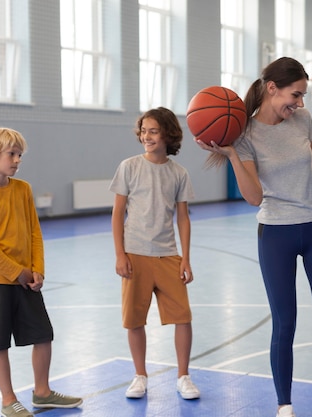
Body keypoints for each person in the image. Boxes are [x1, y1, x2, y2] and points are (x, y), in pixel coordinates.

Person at [196, 57, 312, 417]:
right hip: (275, 233)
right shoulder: (244, 134)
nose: (299, 103)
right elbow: (253, 197)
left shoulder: (303, 120)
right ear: (272, 88)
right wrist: (232, 153)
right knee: (285, 322)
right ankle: (284, 404)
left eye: (303, 96)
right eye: (295, 94)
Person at [0, 127, 82, 417]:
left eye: (19, 155)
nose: (17, 160)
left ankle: (42, 392)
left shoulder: (23, 189)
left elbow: (34, 233)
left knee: (43, 335)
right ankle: (8, 399)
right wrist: (17, 272)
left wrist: (37, 270)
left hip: (27, 279)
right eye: (12, 154)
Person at [110, 107, 200, 401]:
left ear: (168, 134)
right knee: (135, 320)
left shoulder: (179, 173)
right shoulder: (129, 167)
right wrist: (120, 254)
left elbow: (183, 219)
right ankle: (140, 376)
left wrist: (185, 257)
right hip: (135, 254)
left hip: (168, 256)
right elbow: (117, 213)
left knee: (183, 317)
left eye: (153, 131)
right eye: (143, 131)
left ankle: (183, 376)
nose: (146, 136)